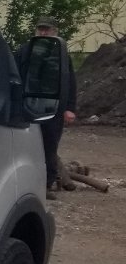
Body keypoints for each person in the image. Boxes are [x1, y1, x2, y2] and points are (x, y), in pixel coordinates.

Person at [17, 16, 77, 199]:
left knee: (50, 146)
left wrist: (69, 108)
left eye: (47, 29)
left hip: (54, 106)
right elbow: (15, 75)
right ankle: (26, 183)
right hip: (29, 105)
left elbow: (70, 82)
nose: (43, 32)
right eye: (41, 29)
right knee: (26, 147)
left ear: (55, 31)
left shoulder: (60, 54)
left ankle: (46, 185)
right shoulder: (26, 51)